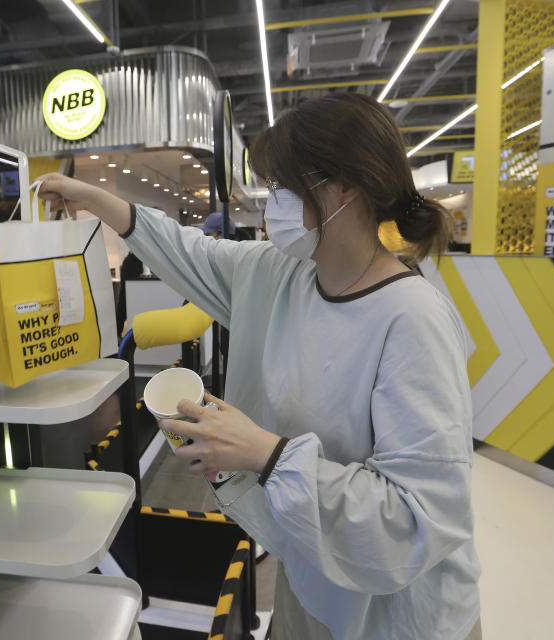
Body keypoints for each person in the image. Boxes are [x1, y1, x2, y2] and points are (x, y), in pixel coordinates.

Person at [37, 92, 481, 640]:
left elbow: (415, 519)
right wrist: (94, 198)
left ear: (346, 187)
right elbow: (185, 252)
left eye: (286, 187)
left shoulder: (412, 321)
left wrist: (264, 455)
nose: (275, 204)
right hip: (312, 572)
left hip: (394, 616)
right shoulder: (279, 276)